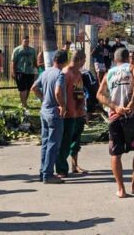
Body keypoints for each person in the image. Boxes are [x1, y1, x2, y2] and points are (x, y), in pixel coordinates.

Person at [97, 48, 134, 198]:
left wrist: (114, 106)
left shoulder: (109, 73)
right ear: (128, 58)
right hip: (131, 115)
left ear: (115, 59)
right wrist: (133, 101)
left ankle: (121, 189)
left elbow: (99, 94)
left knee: (116, 153)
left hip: (115, 116)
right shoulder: (132, 68)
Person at [31, 51, 68, 184]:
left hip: (44, 111)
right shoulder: (60, 75)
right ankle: (48, 175)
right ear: (65, 62)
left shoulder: (45, 72)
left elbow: (34, 87)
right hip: (54, 112)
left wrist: (43, 98)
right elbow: (58, 91)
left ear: (54, 60)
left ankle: (43, 172)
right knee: (53, 144)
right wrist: (62, 105)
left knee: (45, 144)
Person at [56, 50, 87, 178]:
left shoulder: (78, 74)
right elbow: (58, 92)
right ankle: (61, 169)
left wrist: (82, 108)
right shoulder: (65, 73)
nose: (84, 63)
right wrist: (63, 107)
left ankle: (74, 165)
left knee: (76, 141)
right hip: (67, 113)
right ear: (79, 59)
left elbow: (79, 92)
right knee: (64, 143)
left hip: (77, 112)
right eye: (84, 60)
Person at [12, 36, 38, 109]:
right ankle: (23, 104)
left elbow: (35, 61)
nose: (26, 42)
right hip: (20, 71)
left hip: (30, 72)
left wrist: (36, 71)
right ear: (22, 41)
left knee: (28, 88)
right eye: (25, 41)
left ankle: (24, 102)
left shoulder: (32, 50)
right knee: (23, 89)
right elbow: (13, 61)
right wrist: (13, 72)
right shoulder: (17, 50)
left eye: (27, 41)